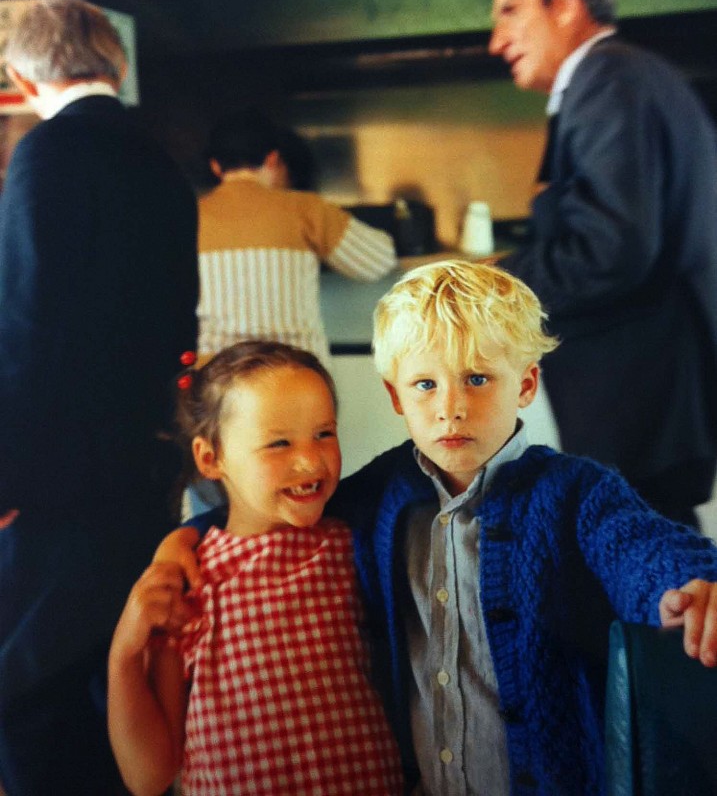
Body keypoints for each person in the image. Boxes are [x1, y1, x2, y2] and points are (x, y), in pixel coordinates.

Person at [160, 260, 717, 796]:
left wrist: (692, 582)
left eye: (477, 378)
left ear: (525, 385)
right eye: (425, 384)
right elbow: (287, 506)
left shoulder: (575, 490)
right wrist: (185, 538)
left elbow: (642, 547)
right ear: (395, 395)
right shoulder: (382, 492)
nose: (451, 407)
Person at [0, 0, 198, 795]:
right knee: (114, 673)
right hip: (142, 465)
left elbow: (26, 323)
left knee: (27, 690)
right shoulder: (161, 158)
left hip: (55, 472)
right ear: (112, 60)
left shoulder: (44, 154)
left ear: (19, 73)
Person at [488, 0, 717, 528]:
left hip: (638, 403)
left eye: (510, 11)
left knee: (654, 592)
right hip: (649, 405)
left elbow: (609, 251)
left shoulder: (606, 80)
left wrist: (491, 282)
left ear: (564, 1)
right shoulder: (623, 79)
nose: (497, 40)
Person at [108, 340, 403, 796]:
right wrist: (125, 653)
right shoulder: (188, 585)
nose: (309, 460)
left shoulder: (355, 544)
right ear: (212, 459)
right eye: (278, 443)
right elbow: (149, 777)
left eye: (324, 433)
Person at [196, 106, 397, 367]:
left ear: (215, 166)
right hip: (296, 372)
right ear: (272, 159)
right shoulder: (305, 209)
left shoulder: (192, 216)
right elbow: (377, 261)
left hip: (219, 374)